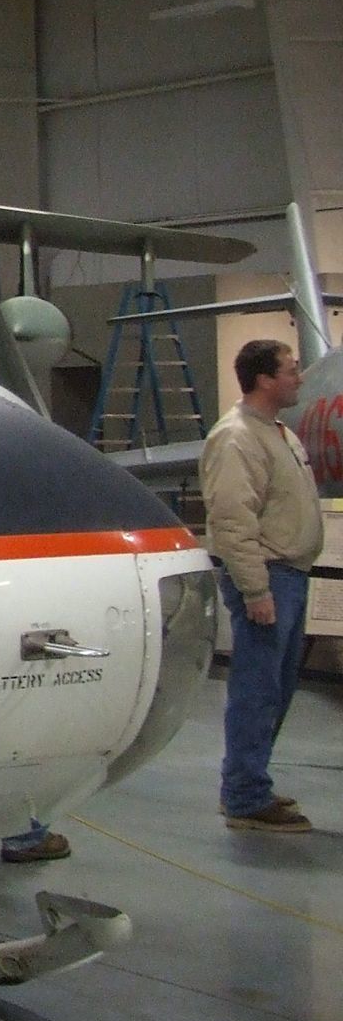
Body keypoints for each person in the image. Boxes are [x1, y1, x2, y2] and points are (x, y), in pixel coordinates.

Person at [201, 338, 322, 833]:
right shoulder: (236, 438)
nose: (299, 377)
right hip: (268, 577)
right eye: (291, 370)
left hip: (289, 574)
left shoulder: (278, 433)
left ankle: (251, 784)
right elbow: (232, 520)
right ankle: (246, 795)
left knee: (276, 688)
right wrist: (255, 590)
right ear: (265, 379)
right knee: (258, 689)